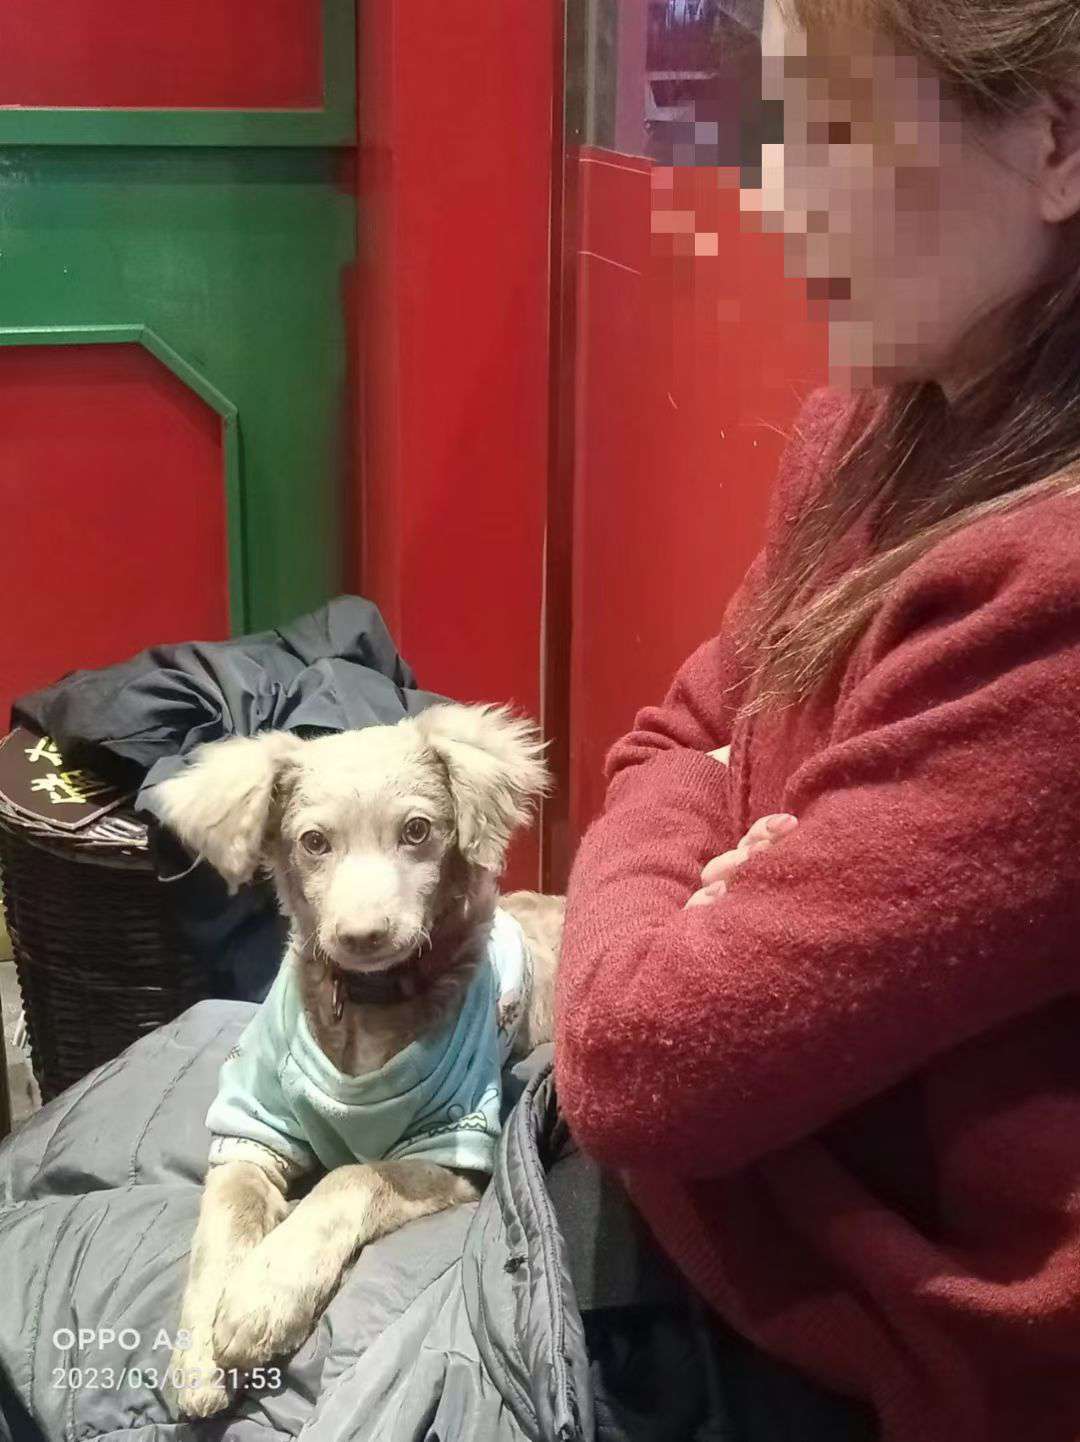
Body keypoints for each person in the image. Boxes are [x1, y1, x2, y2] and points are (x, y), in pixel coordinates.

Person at [553, 1, 1080, 1438]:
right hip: (723, 1228)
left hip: (872, 1344)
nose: (773, 193)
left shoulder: (1048, 592)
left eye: (834, 127)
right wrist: (723, 823)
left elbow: (638, 1058)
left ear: (1057, 140)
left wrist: (725, 843)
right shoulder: (869, 432)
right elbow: (671, 732)